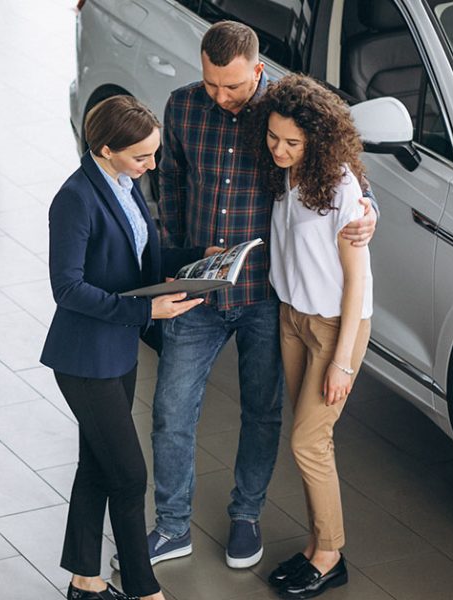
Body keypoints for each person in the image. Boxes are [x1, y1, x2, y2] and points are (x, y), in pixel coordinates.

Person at [137, 21, 378, 571]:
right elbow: (169, 179)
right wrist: (178, 253)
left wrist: (369, 214)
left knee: (264, 412)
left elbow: (346, 178)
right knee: (171, 410)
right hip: (197, 290)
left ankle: (246, 516)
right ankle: (173, 526)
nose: (221, 97)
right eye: (211, 84)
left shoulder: (285, 118)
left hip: (266, 296)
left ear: (258, 72)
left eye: (234, 87)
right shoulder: (182, 108)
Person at [41, 95, 218, 600]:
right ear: (105, 148)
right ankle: (144, 591)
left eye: (154, 154)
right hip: (84, 359)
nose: (152, 166)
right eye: (142, 157)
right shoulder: (75, 198)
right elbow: (67, 288)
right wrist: (146, 312)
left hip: (117, 350)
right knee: (128, 473)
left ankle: (84, 579)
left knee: (97, 463)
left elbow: (143, 257)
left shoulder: (125, 185)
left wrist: (199, 257)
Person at [252, 73, 372, 598]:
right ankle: (315, 546)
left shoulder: (341, 188)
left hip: (332, 328)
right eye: (274, 137)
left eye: (292, 142)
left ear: (318, 140)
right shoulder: (285, 173)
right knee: (309, 442)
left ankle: (330, 554)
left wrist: (343, 361)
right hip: (292, 319)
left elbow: (357, 282)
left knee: (308, 440)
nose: (279, 149)